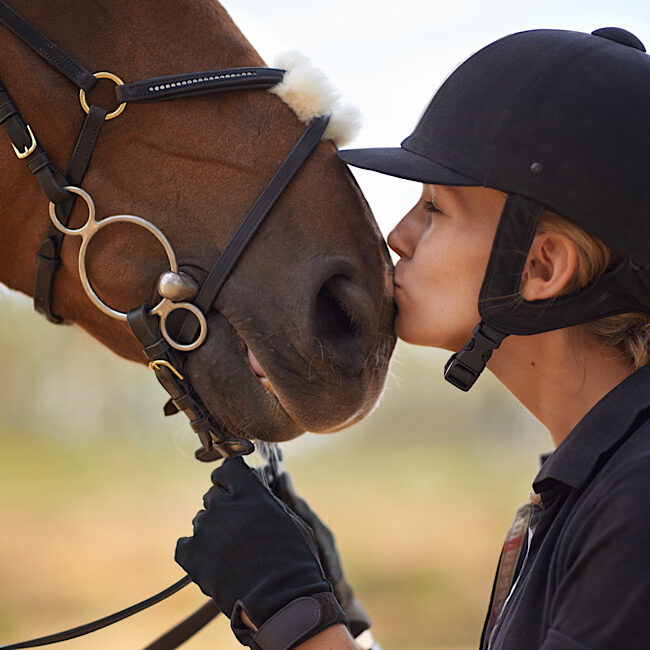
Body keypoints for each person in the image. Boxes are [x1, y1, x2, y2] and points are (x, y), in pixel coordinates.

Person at [175, 26, 650, 650]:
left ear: (540, 268)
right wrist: (342, 615)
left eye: (435, 208)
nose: (398, 234)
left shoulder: (636, 505)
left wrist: (298, 622)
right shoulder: (601, 483)